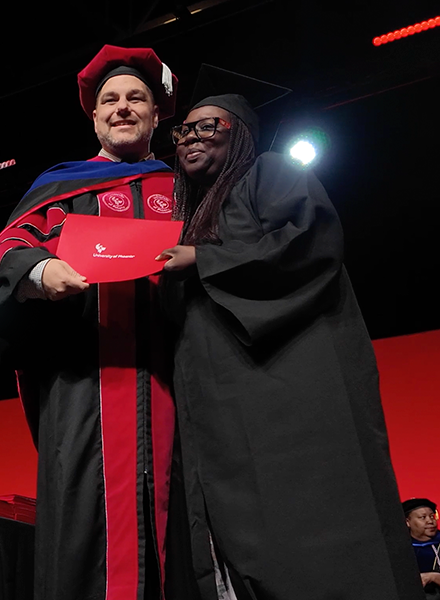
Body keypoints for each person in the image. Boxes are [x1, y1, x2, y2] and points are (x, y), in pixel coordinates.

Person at [157, 77, 423, 599]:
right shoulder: (185, 220)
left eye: (206, 126)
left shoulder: (270, 173)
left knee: (318, 529)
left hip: (290, 391)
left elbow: (309, 242)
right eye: (182, 131)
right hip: (224, 407)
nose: (189, 138)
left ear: (240, 134)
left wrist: (204, 259)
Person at [0, 45, 181, 600]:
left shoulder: (183, 187)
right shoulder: (62, 187)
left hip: (173, 377)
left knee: (179, 509)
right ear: (94, 117)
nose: (122, 108)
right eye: (110, 100)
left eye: (136, 98)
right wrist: (41, 271)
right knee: (84, 515)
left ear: (156, 114)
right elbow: (12, 245)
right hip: (84, 381)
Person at [404, 498, 440, 595]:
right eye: (423, 517)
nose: (430, 521)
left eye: (432, 516)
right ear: (407, 522)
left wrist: (433, 577)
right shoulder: (401, 549)